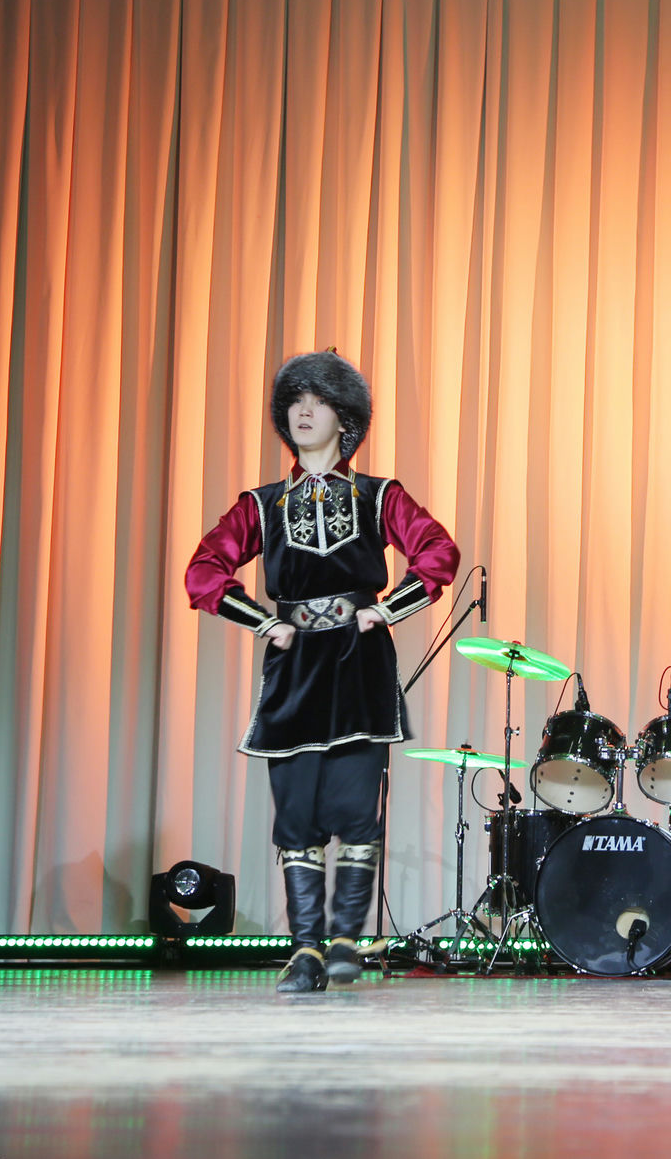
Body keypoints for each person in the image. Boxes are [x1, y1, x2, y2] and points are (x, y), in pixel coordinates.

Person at [186, 351, 459, 993]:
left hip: (359, 663)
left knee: (356, 807)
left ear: (346, 418)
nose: (303, 412)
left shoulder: (379, 495)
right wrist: (262, 622)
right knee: (297, 813)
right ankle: (304, 950)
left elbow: (437, 551)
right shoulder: (262, 504)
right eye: (294, 402)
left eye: (319, 401)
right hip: (295, 669)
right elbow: (204, 570)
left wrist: (387, 609)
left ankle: (343, 941)